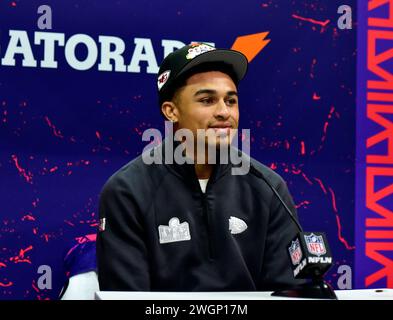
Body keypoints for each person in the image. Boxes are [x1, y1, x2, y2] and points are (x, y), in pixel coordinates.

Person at [96, 42, 304, 291]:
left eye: (231, 100)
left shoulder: (268, 185)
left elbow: (291, 289)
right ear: (171, 111)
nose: (224, 112)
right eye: (207, 100)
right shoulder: (127, 190)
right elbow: (126, 296)